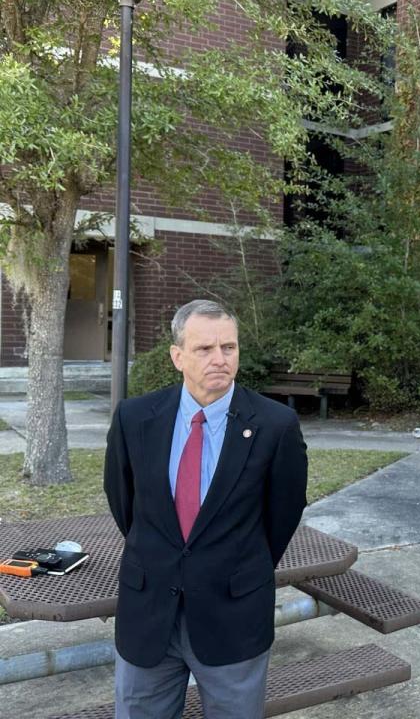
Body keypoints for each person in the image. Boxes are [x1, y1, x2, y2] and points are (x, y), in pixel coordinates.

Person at [104, 299, 308, 718]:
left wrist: (232, 567)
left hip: (232, 614)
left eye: (228, 348)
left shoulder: (275, 425)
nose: (220, 359)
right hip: (149, 613)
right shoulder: (134, 417)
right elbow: (125, 504)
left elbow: (282, 516)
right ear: (177, 356)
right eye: (204, 349)